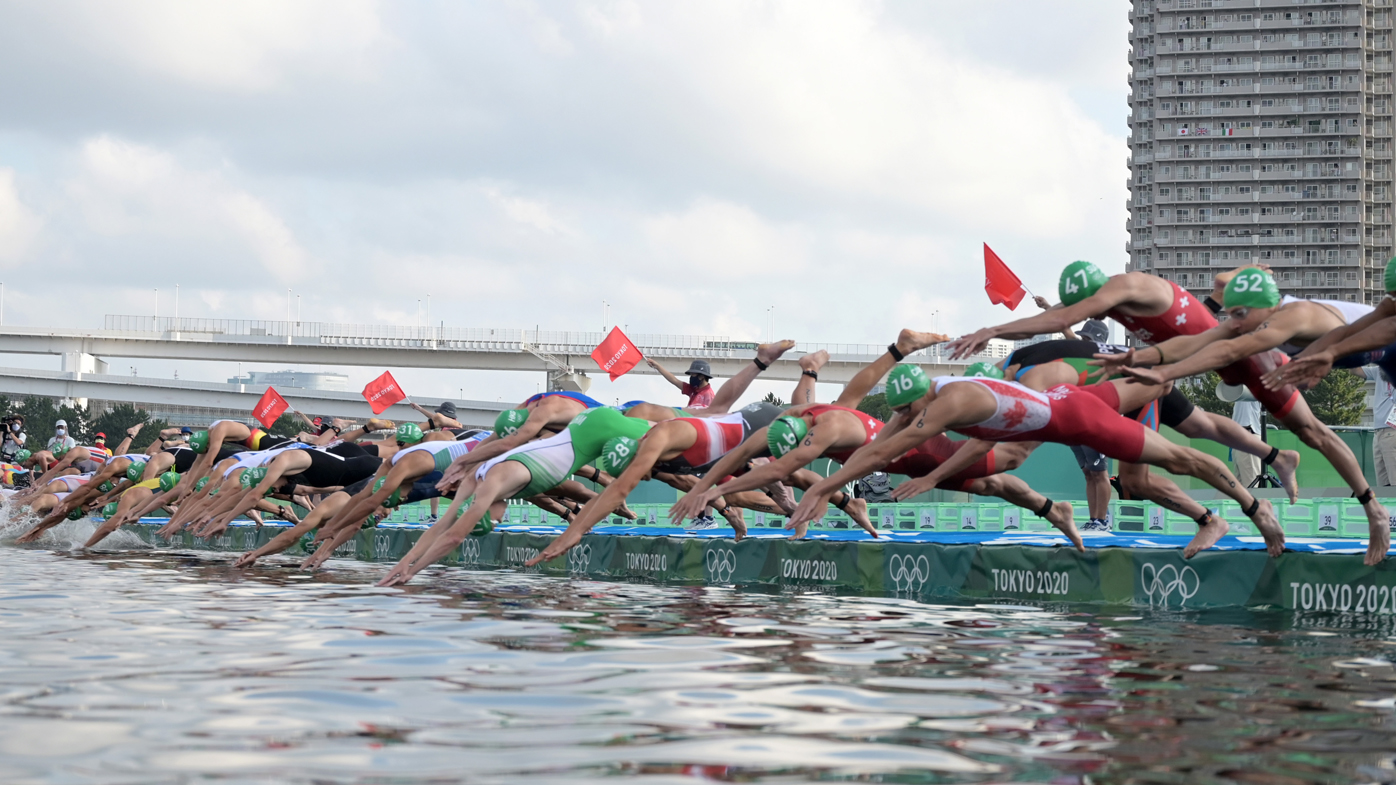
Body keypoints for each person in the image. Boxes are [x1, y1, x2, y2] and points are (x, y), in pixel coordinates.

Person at [948, 262, 1379, 554]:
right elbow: (1062, 318)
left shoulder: (1127, 290)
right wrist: (1146, 360)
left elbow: (1214, 348)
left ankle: (1353, 508)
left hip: (1225, 360)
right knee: (1194, 429)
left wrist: (993, 328)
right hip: (1170, 362)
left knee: (1306, 431)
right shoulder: (1220, 317)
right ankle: (1272, 462)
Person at [785, 364, 1287, 561]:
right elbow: (889, 445)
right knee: (1141, 473)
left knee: (1178, 457)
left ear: (920, 400)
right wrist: (824, 490)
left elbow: (883, 450)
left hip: (1076, 416)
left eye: (904, 412)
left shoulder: (949, 402)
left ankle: (1251, 506)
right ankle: (1214, 514)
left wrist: (818, 489)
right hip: (1049, 417)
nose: (899, 419)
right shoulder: (932, 398)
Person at [1090, 267, 1389, 562]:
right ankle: (1310, 474)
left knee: (1313, 431)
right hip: (1362, 352)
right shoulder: (1250, 317)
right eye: (1230, 313)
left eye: (1240, 315)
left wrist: (1165, 372)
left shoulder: (1290, 317)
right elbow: (1198, 342)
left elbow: (1226, 353)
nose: (1233, 322)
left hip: (1384, 346)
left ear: (1265, 306)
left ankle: (1373, 509)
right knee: (1305, 431)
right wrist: (1137, 358)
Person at [647, 358, 716, 408]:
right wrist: (657, 367)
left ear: (701, 377)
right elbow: (675, 380)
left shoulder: (709, 396)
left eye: (693, 375)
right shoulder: (693, 389)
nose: (691, 377)